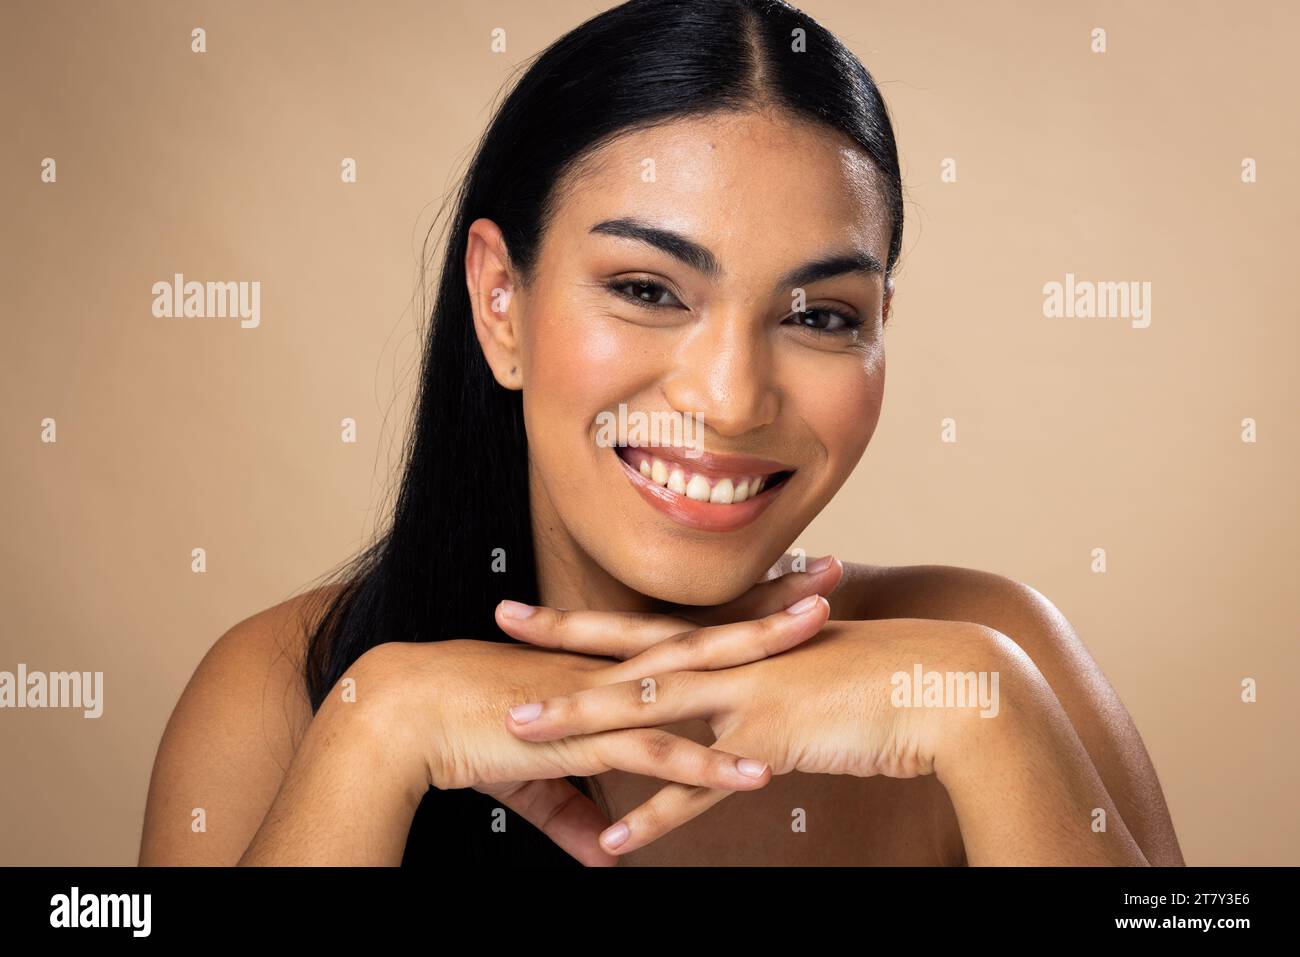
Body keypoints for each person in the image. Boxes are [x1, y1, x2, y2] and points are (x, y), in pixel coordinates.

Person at [139, 0, 1183, 867]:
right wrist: (374, 736)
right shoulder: (290, 691)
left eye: (820, 315)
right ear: (500, 302)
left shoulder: (994, 659)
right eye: (646, 289)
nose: (731, 401)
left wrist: (991, 717)